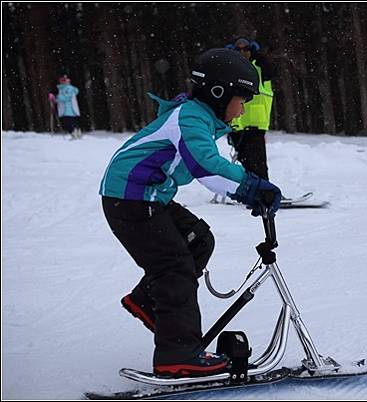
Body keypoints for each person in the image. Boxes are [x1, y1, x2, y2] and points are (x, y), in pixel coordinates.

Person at [99, 48, 282, 378]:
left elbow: (206, 166)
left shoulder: (197, 116)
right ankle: (177, 355)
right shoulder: (190, 118)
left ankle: (150, 304)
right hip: (131, 198)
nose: (242, 109)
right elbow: (206, 167)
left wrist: (249, 189)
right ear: (219, 92)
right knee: (174, 267)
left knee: (198, 241)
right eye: (241, 99)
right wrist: (253, 188)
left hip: (145, 196)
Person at [226, 37, 276, 180]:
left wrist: (262, 58)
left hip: (256, 122)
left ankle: (264, 191)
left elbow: (272, 71)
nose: (243, 53)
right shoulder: (230, 68)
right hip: (236, 122)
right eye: (238, 50)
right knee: (245, 160)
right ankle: (253, 190)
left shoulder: (261, 66)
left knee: (258, 162)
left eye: (246, 49)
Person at [51, 75, 82, 139]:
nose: (63, 81)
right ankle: (75, 133)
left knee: (69, 122)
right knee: (68, 122)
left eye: (64, 80)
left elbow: (66, 98)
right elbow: (61, 98)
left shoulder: (69, 88)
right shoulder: (61, 89)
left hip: (69, 109)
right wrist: (54, 99)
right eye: (61, 80)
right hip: (64, 110)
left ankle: (75, 133)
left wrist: (56, 97)